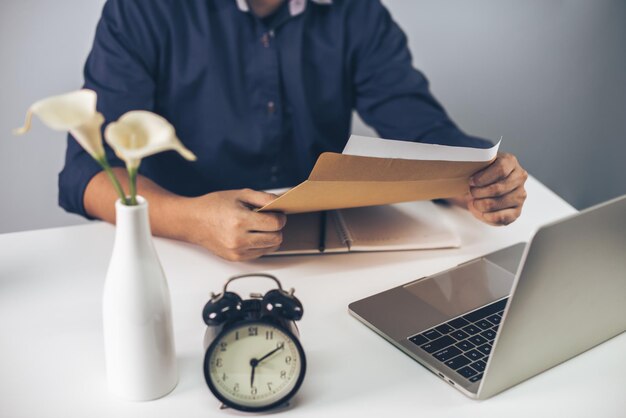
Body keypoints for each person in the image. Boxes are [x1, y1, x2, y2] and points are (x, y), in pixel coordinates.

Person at [59, 0, 528, 261]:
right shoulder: (142, 10)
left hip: (330, 252)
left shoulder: (358, 14)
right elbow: (89, 174)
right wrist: (191, 220)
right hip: (179, 252)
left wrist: (478, 181)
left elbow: (420, 131)